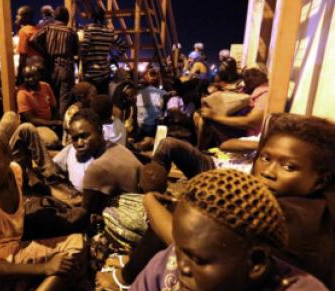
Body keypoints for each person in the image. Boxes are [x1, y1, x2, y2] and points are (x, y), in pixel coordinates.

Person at [97, 113, 335, 290]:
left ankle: (126, 278)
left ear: (319, 179)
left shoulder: (293, 217)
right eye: (265, 157)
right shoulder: (316, 203)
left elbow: (198, 243)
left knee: (171, 221)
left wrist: (149, 201)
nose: (268, 171)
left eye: (288, 166)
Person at [131, 169, 328, 291]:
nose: (180, 266)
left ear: (256, 263)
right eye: (179, 248)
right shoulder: (165, 265)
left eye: (198, 260)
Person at [0, 134, 84, 290]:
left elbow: (38, 190)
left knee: (75, 249)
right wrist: (45, 267)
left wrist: (69, 201)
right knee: (72, 254)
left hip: (15, 250)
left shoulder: (15, 171)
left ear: (8, 157)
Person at [67, 109, 142, 226]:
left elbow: (84, 213)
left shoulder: (97, 168)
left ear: (100, 132)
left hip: (133, 221)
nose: (79, 143)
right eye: (75, 138)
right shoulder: (117, 147)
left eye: (84, 136)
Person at [196, 64, 269, 149]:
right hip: (238, 128)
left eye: (255, 75)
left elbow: (253, 122)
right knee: (200, 113)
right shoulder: (248, 89)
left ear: (265, 77)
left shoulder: (265, 94)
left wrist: (215, 117)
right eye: (247, 75)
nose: (250, 78)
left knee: (205, 121)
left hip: (247, 135)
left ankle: (200, 154)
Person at [31, 6, 79, 117]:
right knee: (64, 99)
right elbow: (76, 52)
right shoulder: (71, 32)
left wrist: (44, 51)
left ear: (55, 17)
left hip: (50, 66)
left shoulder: (47, 28)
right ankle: (61, 125)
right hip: (66, 67)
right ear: (67, 18)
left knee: (52, 98)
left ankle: (53, 123)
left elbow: (32, 39)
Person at [80, 6, 128, 94]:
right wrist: (114, 59)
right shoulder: (109, 32)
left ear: (92, 16)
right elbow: (124, 45)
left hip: (90, 75)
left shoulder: (89, 30)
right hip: (105, 75)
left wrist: (84, 61)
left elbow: (84, 48)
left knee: (90, 103)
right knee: (103, 102)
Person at [17, 65, 62, 146]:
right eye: (27, 77)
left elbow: (54, 108)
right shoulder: (22, 93)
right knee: (52, 141)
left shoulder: (46, 86)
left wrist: (57, 123)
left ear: (39, 75)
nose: (30, 79)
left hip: (50, 123)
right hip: (36, 127)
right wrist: (52, 123)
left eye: (33, 76)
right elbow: (31, 119)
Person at [135, 68, 168, 138]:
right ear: (159, 81)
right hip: (152, 127)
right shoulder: (162, 93)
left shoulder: (139, 93)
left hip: (139, 125)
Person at [15, 5, 41, 84]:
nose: (16, 17)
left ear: (25, 17)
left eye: (18, 15)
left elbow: (23, 55)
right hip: (41, 66)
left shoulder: (24, 31)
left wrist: (19, 77)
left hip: (31, 68)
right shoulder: (37, 29)